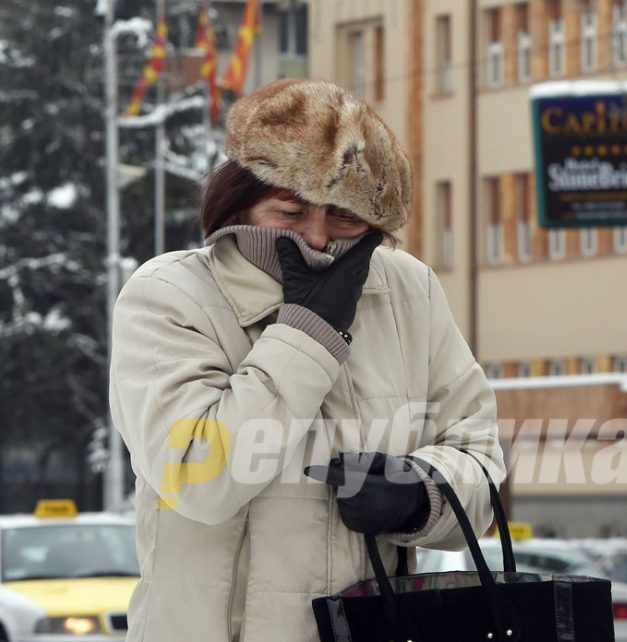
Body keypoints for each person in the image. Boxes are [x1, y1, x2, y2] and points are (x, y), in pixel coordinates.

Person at [109, 79, 505, 642]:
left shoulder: (409, 290)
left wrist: (420, 494)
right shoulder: (169, 294)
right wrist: (308, 331)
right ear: (241, 201)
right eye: (290, 211)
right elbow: (200, 476)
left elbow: (479, 454)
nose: (317, 239)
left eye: (343, 218)